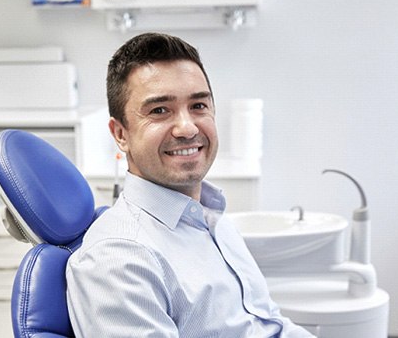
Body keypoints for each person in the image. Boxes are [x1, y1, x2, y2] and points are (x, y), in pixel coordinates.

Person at [66, 32, 315, 338]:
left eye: (198, 105)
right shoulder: (119, 260)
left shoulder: (211, 218)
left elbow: (268, 324)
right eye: (159, 110)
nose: (187, 127)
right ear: (121, 134)